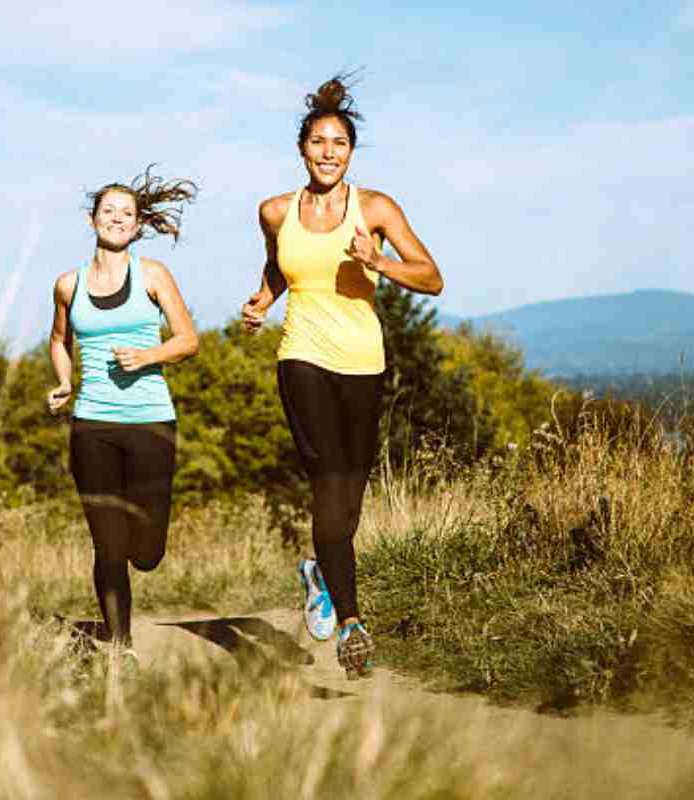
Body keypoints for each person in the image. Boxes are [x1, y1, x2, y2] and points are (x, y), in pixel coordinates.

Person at [241, 74, 443, 679]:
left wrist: (376, 260)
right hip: (301, 354)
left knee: (347, 506)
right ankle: (353, 621)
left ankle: (319, 574)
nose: (328, 152)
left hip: (363, 361)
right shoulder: (276, 211)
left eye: (339, 144)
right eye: (318, 142)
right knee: (327, 481)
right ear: (302, 148)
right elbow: (280, 267)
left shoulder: (376, 208)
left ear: (350, 152)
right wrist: (261, 299)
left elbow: (431, 277)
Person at [48, 168, 199, 658]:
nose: (117, 219)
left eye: (126, 214)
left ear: (137, 227)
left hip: (151, 422)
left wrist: (148, 357)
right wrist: (66, 382)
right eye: (108, 211)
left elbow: (188, 340)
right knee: (108, 547)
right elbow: (58, 341)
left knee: (147, 554)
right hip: (93, 426)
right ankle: (120, 648)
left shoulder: (152, 275)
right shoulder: (68, 285)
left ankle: (144, 557)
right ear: (93, 220)